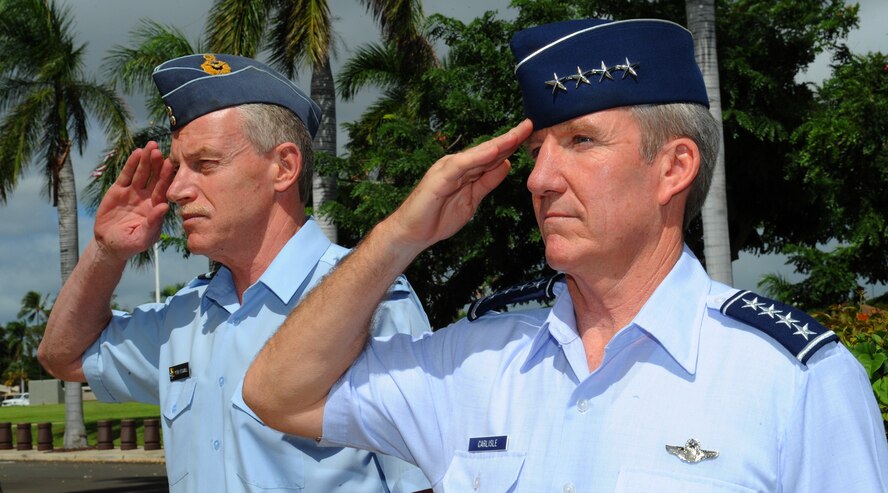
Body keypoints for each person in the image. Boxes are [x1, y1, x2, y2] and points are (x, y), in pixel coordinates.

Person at [240, 18, 888, 492]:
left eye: (580, 140)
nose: (539, 179)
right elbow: (276, 391)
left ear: (673, 168)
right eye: (536, 150)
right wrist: (399, 236)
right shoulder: (477, 363)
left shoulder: (795, 379)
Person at [37, 53, 432, 493]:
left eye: (204, 165)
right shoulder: (186, 318)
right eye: (178, 168)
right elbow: (63, 356)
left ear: (284, 167)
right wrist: (107, 253)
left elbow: (422, 482)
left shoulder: (373, 301)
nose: (176, 189)